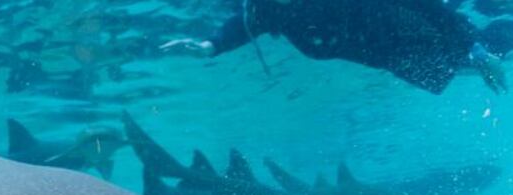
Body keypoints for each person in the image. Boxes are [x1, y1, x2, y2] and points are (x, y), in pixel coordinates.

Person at [161, 0, 513, 93]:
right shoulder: (268, 8)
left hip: (411, 27)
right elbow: (242, 24)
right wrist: (210, 46)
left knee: (487, 52)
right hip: (390, 56)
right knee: (457, 70)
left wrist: (476, 48)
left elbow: (425, 7)